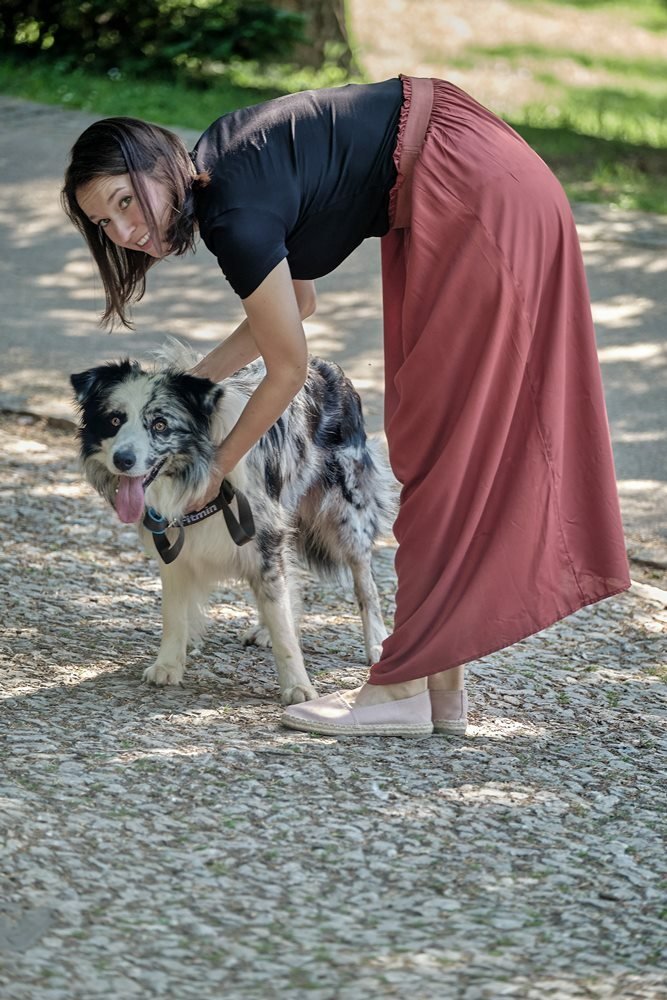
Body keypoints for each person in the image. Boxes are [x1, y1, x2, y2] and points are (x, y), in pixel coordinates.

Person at [62, 75, 631, 738]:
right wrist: (189, 384)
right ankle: (434, 690)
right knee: (427, 438)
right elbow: (296, 308)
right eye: (106, 221)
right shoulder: (225, 166)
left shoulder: (234, 215)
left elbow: (288, 368)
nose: (126, 230)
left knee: (450, 443)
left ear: (158, 161)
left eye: (127, 200)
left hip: (470, 189)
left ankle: (398, 688)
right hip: (459, 179)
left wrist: (216, 467)